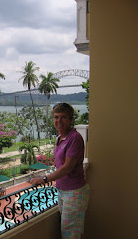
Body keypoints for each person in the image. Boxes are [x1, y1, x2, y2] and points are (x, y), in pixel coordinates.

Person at [30, 102, 89, 239]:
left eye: (63, 117)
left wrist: (44, 179)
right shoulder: (60, 138)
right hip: (62, 190)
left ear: (71, 120)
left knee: (70, 233)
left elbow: (67, 167)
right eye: (56, 117)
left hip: (74, 191)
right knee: (71, 231)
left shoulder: (74, 138)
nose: (59, 121)